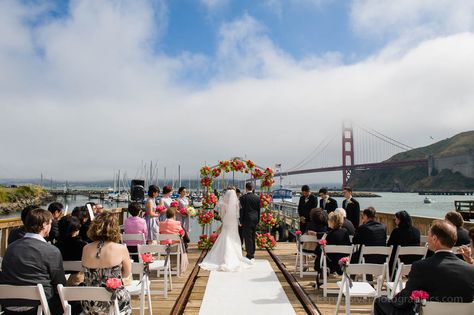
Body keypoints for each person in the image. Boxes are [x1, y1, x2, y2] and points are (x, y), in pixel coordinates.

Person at [373, 220, 474, 315]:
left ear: (435, 239)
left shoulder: (421, 266)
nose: (427, 238)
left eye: (429, 234)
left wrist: (391, 300)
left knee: (380, 302)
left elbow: (405, 299)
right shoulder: (471, 270)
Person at [0, 208, 66, 315]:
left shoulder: (11, 248)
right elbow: (60, 283)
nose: (51, 227)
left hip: (9, 305)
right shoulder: (51, 250)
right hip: (39, 306)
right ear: (44, 225)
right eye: (50, 223)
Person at [81, 212, 132, 315]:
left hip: (90, 302)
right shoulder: (121, 248)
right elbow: (126, 274)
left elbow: (85, 272)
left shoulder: (86, 248)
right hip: (114, 300)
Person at [200, 188, 252, 271]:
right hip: (234, 222)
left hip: (227, 221)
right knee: (234, 237)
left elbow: (222, 215)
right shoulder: (236, 203)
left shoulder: (224, 204)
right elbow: (238, 214)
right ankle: (236, 256)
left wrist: (223, 218)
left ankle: (223, 255)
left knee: (225, 235)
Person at [314, 211, 351, 283]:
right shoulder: (345, 232)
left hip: (330, 263)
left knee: (319, 255)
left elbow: (318, 251)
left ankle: (322, 274)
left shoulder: (329, 234)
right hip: (342, 262)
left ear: (332, 222)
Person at [387, 211, 421, 276]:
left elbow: (389, 246)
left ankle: (392, 278)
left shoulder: (396, 231)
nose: (395, 221)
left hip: (400, 262)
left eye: (396, 219)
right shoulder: (416, 231)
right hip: (414, 261)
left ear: (400, 220)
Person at [239, 183, 261, 261]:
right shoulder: (257, 198)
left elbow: (242, 211)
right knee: (252, 236)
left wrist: (240, 220)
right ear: (252, 188)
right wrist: (258, 219)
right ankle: (252, 252)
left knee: (247, 237)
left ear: (246, 188)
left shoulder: (243, 198)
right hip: (255, 219)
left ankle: (249, 254)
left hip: (247, 219)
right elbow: (259, 210)